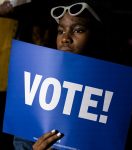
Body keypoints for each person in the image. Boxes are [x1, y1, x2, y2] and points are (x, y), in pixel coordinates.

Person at [13, 0, 105, 149]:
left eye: (78, 30)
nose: (65, 39)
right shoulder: (37, 86)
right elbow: (21, 143)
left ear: (97, 36)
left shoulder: (116, 92)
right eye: (61, 31)